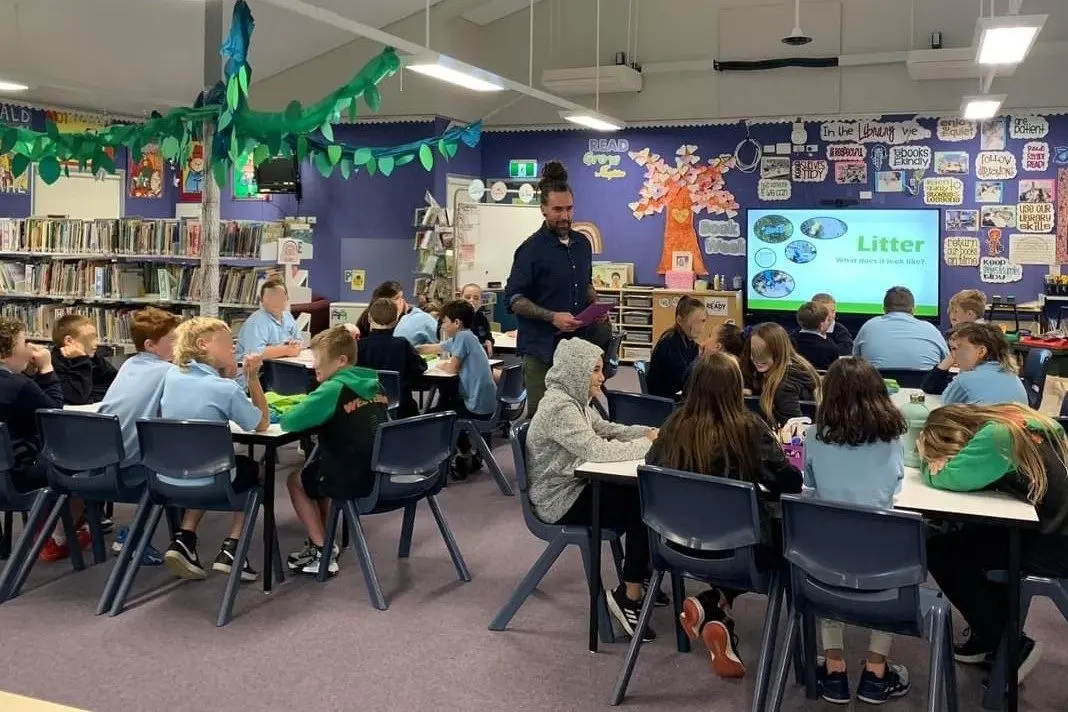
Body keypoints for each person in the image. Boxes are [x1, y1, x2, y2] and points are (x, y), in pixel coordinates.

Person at [647, 352, 802, 679]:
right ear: (735, 387)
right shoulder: (748, 428)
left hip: (674, 546)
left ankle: (713, 605)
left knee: (730, 530)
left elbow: (651, 464)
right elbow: (788, 482)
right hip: (740, 552)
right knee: (789, 545)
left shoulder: (673, 424)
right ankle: (800, 660)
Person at [917, 403, 1068, 682]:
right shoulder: (1025, 420)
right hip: (1056, 529)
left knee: (942, 552)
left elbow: (949, 477)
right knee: (978, 538)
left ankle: (1010, 646)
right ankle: (989, 637)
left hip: (1057, 544)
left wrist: (929, 464)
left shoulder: (997, 436)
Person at [526, 338, 657, 640]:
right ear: (576, 371)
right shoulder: (560, 407)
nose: (602, 376)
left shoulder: (575, 400)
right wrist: (648, 445)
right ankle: (629, 596)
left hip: (577, 485)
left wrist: (646, 432)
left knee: (644, 496)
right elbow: (596, 450)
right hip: (559, 500)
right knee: (643, 506)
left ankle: (637, 574)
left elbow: (606, 429)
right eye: (595, 370)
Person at [803, 357, 912, 704]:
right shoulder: (893, 439)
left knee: (823, 559)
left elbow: (809, 484)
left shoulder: (814, 435)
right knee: (889, 567)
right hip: (882, 553)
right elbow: (896, 487)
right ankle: (876, 672)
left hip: (826, 556)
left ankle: (834, 668)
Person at [159, 317, 269, 582]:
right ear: (202, 345)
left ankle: (185, 538)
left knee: (207, 462)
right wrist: (252, 378)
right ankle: (233, 547)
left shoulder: (171, 376)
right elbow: (261, 423)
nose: (234, 347)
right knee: (256, 471)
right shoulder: (225, 389)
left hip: (168, 475)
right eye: (227, 342)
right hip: (212, 479)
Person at [504, 161, 610, 417]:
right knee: (543, 421)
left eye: (569, 208)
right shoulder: (530, 250)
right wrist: (552, 317)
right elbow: (514, 299)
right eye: (557, 210)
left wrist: (595, 305)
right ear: (543, 209)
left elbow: (585, 284)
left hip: (576, 351)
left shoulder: (582, 244)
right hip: (542, 351)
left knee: (577, 417)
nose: (564, 216)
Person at [281, 326, 384, 577]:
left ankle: (321, 551)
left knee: (296, 480)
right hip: (378, 472)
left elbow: (289, 422)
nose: (314, 365)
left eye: (318, 358)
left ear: (341, 361)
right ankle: (326, 542)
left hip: (348, 477)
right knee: (317, 472)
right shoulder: (375, 384)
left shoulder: (333, 388)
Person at [97, 307, 182, 564]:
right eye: (173, 339)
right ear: (150, 345)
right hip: (132, 470)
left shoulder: (128, 364)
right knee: (181, 464)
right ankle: (144, 538)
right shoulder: (169, 372)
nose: (179, 344)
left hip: (101, 463)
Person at [0, 317, 83, 561]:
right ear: (6, 352)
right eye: (24, 343)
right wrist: (47, 369)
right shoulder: (17, 385)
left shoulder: (18, 382)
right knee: (82, 462)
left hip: (4, 472)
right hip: (18, 477)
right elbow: (53, 414)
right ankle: (58, 535)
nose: (29, 348)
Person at [431, 300, 499, 478]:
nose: (442, 326)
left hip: (475, 406)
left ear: (456, 322)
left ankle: (460, 455)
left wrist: (441, 365)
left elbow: (452, 369)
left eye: (444, 322)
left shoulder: (463, 338)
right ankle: (467, 452)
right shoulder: (469, 337)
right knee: (446, 404)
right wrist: (414, 348)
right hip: (487, 403)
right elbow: (436, 347)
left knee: (437, 414)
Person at [921, 322, 1027, 405]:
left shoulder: (965, 380)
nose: (953, 355)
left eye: (955, 348)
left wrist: (962, 372)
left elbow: (944, 409)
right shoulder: (1011, 375)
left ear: (981, 351)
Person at [356, 297, 427, 419]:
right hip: (401, 410)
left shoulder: (358, 346)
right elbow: (420, 368)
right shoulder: (402, 344)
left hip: (365, 410)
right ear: (396, 320)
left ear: (369, 318)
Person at [740, 322, 820, 429]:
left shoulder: (784, 385)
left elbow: (795, 429)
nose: (757, 359)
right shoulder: (797, 366)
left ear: (778, 350)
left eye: (765, 352)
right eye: (754, 352)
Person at [853, 287, 948, 370]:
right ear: (913, 309)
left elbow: (855, 361)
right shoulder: (931, 330)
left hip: (877, 385)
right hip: (924, 385)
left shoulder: (868, 327)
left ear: (884, 309)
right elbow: (947, 361)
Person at [49, 313, 118, 405]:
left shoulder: (94, 357)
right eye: (91, 337)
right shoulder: (53, 365)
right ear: (69, 341)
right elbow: (79, 397)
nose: (96, 343)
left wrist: (91, 394)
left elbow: (117, 384)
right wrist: (81, 360)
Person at [646, 295, 704, 399]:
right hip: (665, 400)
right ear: (680, 321)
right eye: (695, 322)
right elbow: (682, 380)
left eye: (703, 321)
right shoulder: (669, 343)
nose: (700, 327)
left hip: (677, 395)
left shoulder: (691, 344)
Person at [235, 277, 304, 365]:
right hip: (255, 369)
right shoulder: (256, 322)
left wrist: (296, 344)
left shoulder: (288, 316)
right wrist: (286, 350)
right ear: (261, 300)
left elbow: (299, 340)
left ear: (287, 299)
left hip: (281, 363)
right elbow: (254, 354)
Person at [792, 301, 839, 370]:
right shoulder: (830, 347)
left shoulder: (789, 342)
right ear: (821, 325)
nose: (829, 322)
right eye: (827, 320)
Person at [460, 283, 495, 355]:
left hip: (478, 354)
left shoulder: (481, 316)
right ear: (460, 299)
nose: (471, 300)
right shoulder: (453, 316)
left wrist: (489, 340)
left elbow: (487, 334)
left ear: (481, 302)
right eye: (467, 297)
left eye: (476, 298)